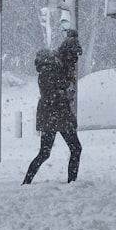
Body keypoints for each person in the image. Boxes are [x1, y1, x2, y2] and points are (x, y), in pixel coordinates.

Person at [22, 48, 83, 184]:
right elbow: (54, 93)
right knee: (75, 148)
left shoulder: (48, 70)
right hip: (58, 114)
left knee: (45, 152)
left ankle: (27, 181)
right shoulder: (52, 70)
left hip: (50, 115)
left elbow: (52, 92)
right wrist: (65, 92)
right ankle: (71, 181)